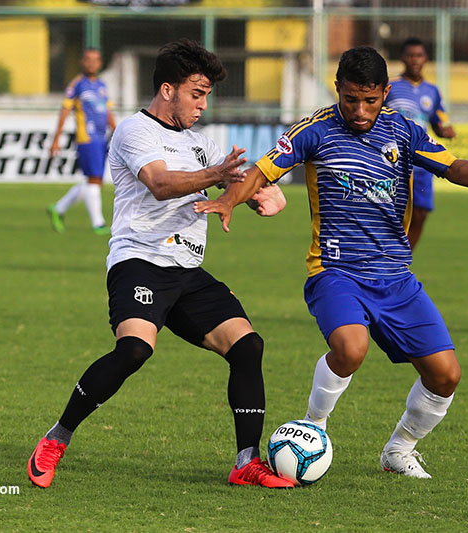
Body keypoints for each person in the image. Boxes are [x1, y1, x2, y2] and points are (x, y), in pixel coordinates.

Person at [194, 46, 468, 479]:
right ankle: (312, 428)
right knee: (350, 348)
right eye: (351, 99)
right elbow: (263, 172)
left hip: (396, 277)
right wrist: (229, 199)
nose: (360, 110)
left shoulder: (405, 132)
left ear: (385, 93)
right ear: (337, 89)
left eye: (370, 100)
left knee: (446, 375)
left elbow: (452, 167)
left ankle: (399, 449)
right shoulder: (314, 131)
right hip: (335, 272)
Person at [28, 39, 294, 489]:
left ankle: (246, 462)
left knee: (248, 347)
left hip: (187, 271)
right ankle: (56, 438)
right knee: (134, 350)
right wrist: (218, 176)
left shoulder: (201, 144)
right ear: (168, 90)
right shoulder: (135, 131)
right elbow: (160, 183)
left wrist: (258, 194)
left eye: (207, 95)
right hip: (139, 261)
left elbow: (261, 190)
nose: (203, 104)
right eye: (196, 93)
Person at [385, 37, 456, 250]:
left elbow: (438, 119)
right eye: (410, 55)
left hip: (422, 160)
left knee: (421, 214)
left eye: (419, 55)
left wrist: (445, 129)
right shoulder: (391, 86)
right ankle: (385, 255)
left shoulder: (432, 91)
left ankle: (403, 258)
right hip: (395, 160)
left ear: (425, 58)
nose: (415, 60)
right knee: (394, 213)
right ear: (403, 58)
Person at [46, 48, 117, 235]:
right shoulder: (77, 84)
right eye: (88, 60)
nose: (92, 63)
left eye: (96, 60)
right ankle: (98, 223)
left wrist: (117, 131)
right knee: (94, 180)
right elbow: (64, 111)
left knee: (93, 181)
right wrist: (56, 140)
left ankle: (59, 208)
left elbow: (107, 111)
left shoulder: (102, 85)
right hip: (87, 137)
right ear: (82, 62)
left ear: (100, 63)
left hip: (101, 138)